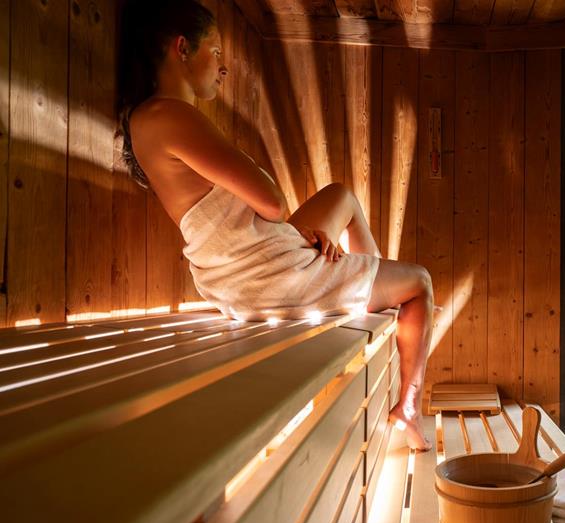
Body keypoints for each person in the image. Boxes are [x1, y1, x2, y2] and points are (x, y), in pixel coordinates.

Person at [117, 0, 432, 451]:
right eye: (217, 51)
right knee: (420, 281)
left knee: (342, 195)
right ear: (182, 48)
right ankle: (408, 408)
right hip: (263, 274)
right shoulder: (167, 115)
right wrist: (280, 216)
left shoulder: (152, 119)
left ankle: (368, 286)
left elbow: (261, 213)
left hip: (247, 263)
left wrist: (295, 230)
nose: (223, 68)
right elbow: (270, 200)